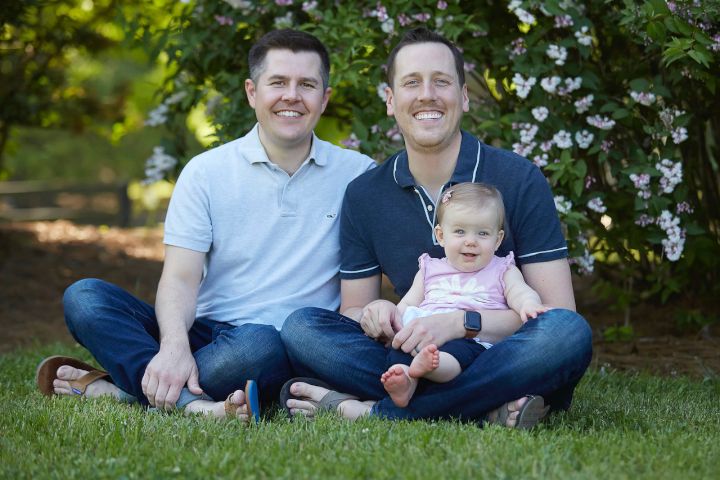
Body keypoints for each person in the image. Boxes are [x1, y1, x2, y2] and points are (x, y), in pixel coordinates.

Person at [34, 29, 374, 420]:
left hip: (293, 344)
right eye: (278, 82)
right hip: (210, 337)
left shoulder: (357, 175)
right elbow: (180, 278)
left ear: (324, 98)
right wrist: (174, 347)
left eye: (307, 85)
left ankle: (133, 391)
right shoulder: (206, 172)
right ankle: (186, 396)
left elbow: (357, 299)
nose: (292, 96)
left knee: (262, 343)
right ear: (252, 92)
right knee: (85, 297)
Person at [280, 27, 593, 428]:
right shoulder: (365, 194)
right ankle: (485, 407)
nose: (427, 94)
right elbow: (355, 310)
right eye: (412, 82)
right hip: (415, 352)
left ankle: (378, 411)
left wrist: (461, 323)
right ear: (391, 100)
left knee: (566, 333)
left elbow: (553, 312)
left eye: (441, 81)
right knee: (303, 328)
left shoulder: (518, 178)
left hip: (496, 352)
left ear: (463, 96)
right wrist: (375, 313)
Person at [381, 182, 549, 408]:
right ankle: (406, 380)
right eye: (460, 231)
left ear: (497, 240)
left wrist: (529, 304)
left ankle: (431, 368)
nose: (471, 241)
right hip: (421, 334)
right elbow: (408, 303)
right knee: (399, 351)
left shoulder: (502, 269)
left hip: (469, 340)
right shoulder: (429, 269)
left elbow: (519, 292)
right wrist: (394, 325)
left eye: (482, 233)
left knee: (460, 352)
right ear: (441, 235)